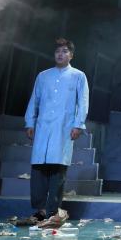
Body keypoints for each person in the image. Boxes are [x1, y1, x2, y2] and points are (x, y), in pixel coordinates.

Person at [24, 38, 89, 227]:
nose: (60, 54)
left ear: (71, 55)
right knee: (39, 168)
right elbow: (34, 100)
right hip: (43, 127)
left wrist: (78, 125)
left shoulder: (78, 76)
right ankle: (40, 211)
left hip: (63, 127)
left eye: (65, 51)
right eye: (58, 51)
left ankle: (52, 211)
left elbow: (83, 102)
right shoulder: (43, 76)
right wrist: (30, 122)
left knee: (57, 170)